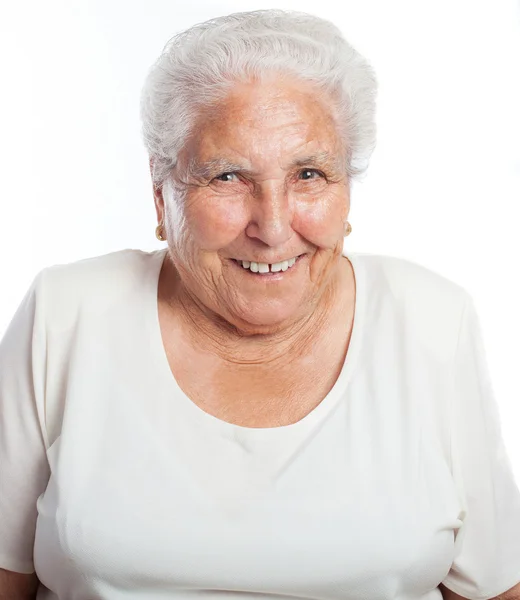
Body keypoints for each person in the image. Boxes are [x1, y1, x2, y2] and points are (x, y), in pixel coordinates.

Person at [1, 8, 520, 600]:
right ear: (159, 191)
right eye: (227, 177)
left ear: (346, 189)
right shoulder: (66, 315)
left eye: (309, 173)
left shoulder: (432, 322)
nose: (273, 228)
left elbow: (493, 589)